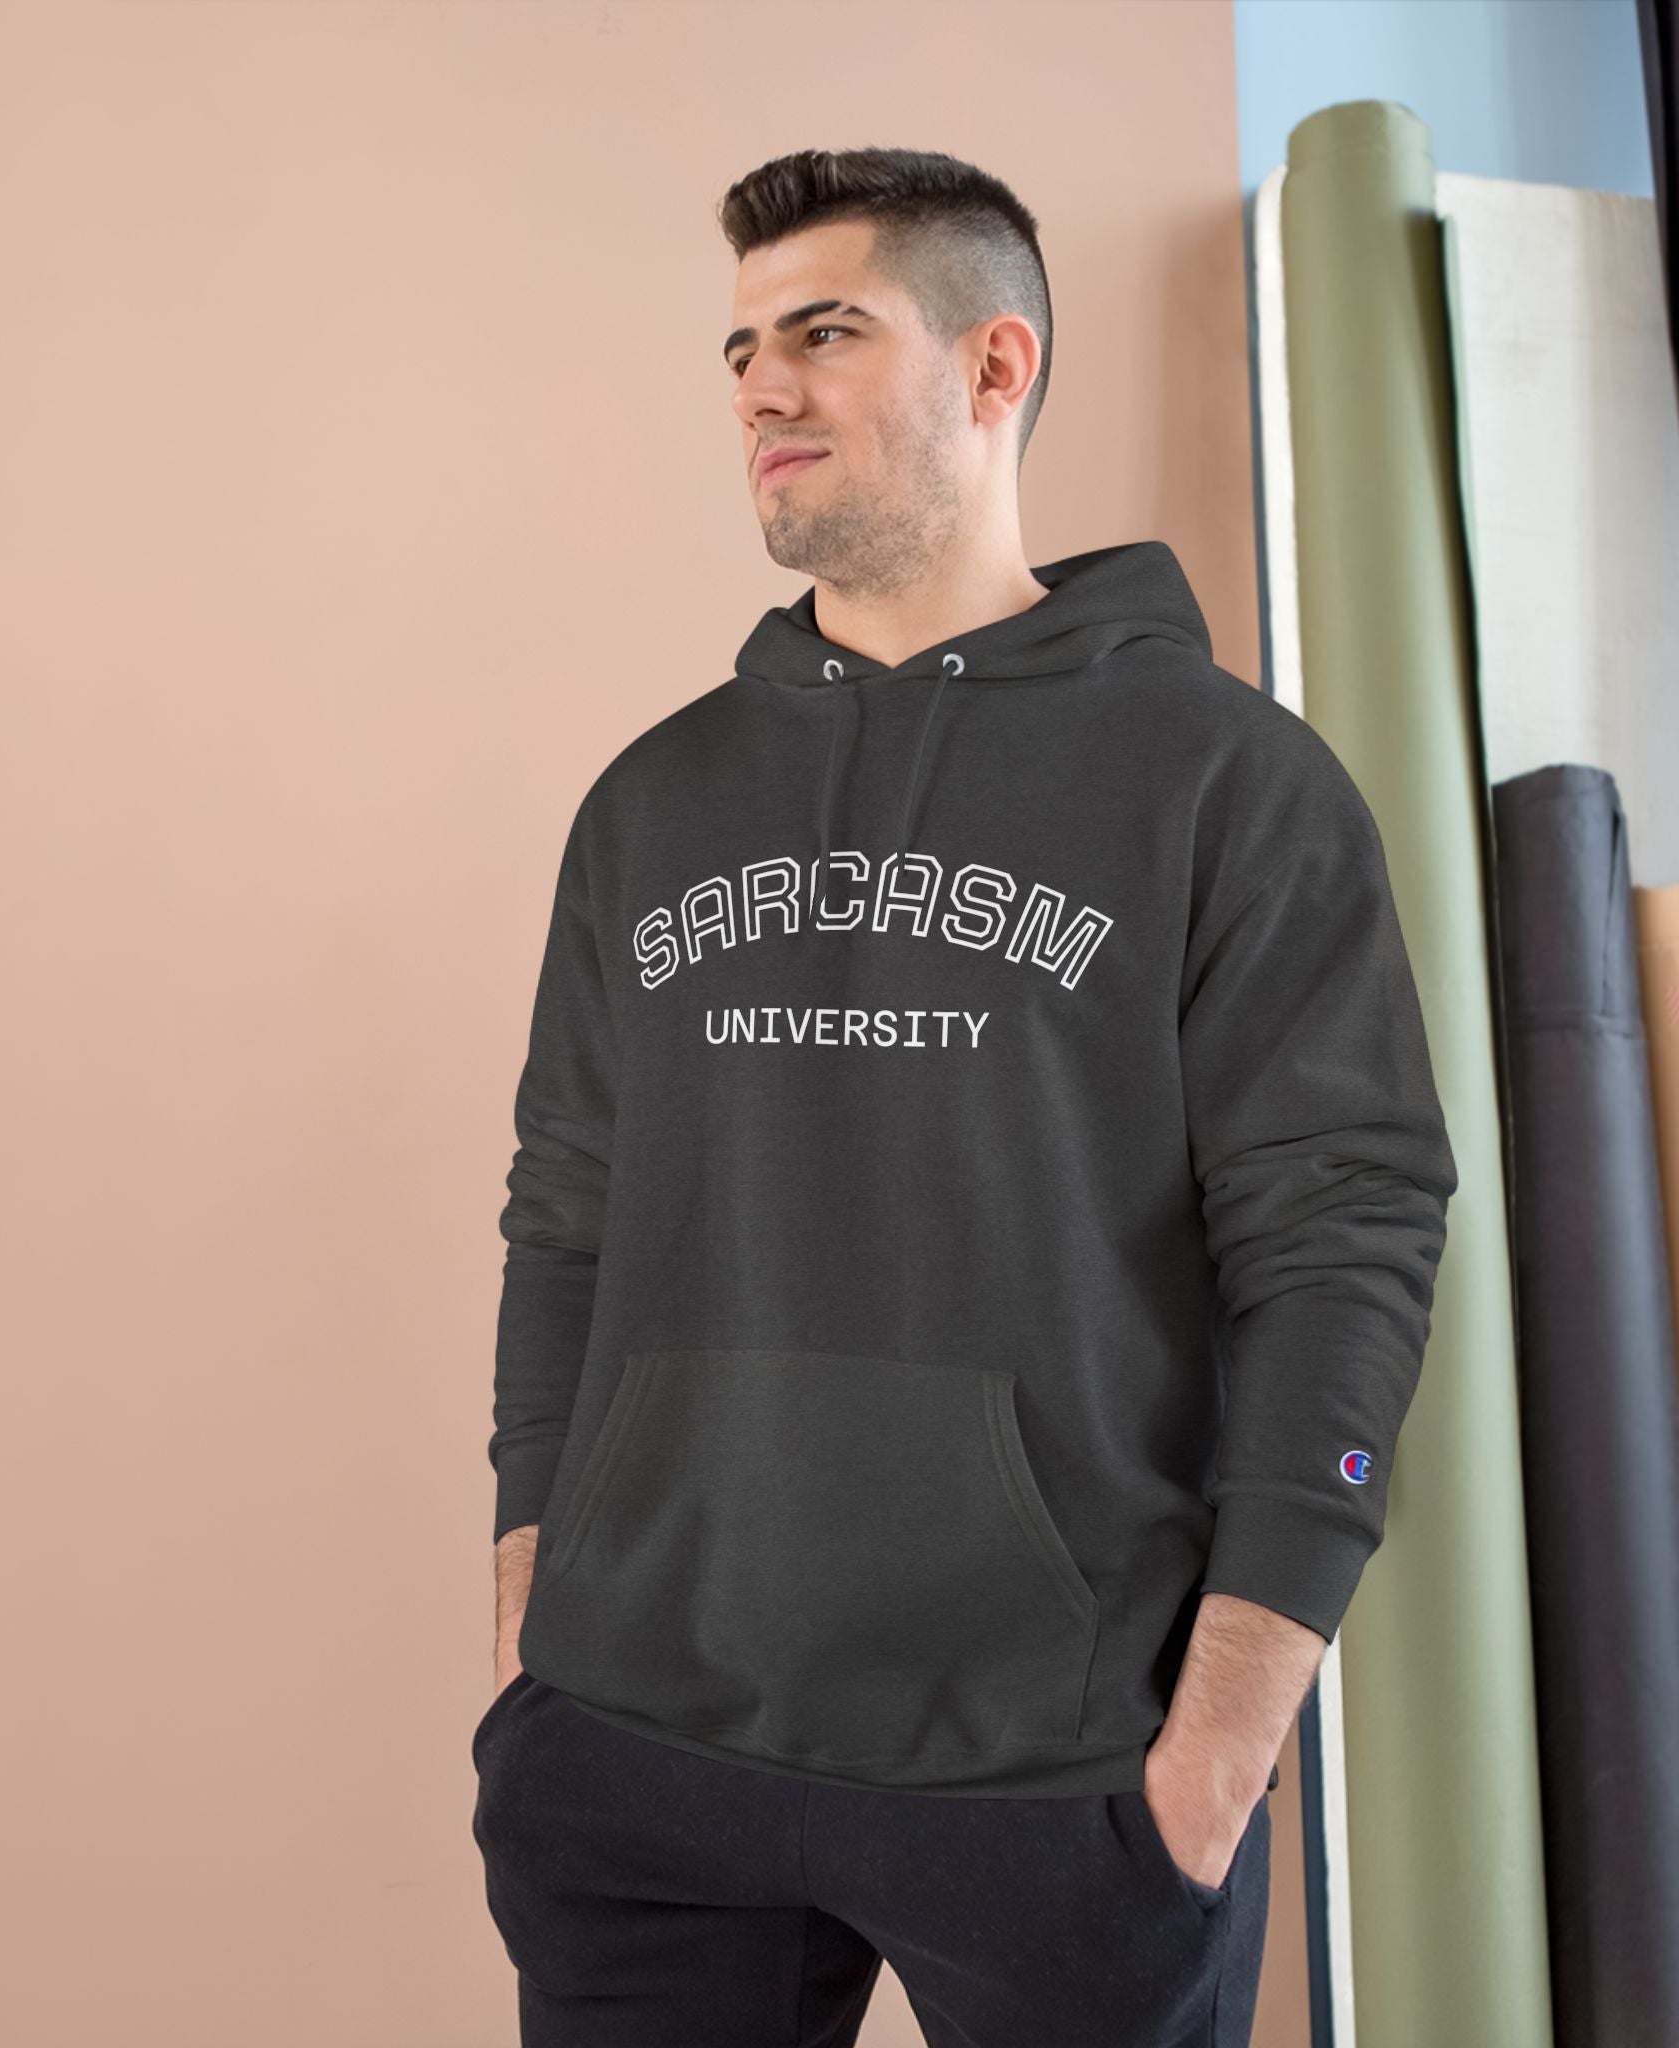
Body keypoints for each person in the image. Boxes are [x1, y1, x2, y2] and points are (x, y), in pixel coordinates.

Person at [470, 145, 1457, 2048]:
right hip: (635, 1749)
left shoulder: (1227, 785)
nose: (761, 386)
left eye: (825, 332)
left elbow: (1342, 1245)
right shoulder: (653, 806)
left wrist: (1225, 1742)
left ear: (997, 368)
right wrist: (533, 1612)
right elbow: (565, 1214)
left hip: (1059, 1768)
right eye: (743, 346)